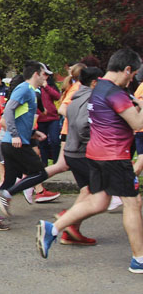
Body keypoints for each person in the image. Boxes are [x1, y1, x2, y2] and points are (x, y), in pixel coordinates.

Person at [37, 49, 143, 274]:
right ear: (126, 69)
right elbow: (136, 124)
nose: (132, 79)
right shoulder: (116, 93)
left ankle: (53, 228)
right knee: (133, 204)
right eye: (132, 74)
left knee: (99, 202)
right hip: (115, 157)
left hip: (95, 154)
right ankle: (139, 259)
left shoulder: (98, 87)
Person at [0, 61, 51, 218]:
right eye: (44, 74)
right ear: (36, 74)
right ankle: (7, 194)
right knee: (40, 174)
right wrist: (16, 134)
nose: (46, 78)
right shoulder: (24, 89)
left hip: (13, 142)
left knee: (9, 179)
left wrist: (33, 133)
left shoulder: (31, 91)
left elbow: (19, 116)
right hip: (14, 143)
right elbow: (8, 110)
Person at [49, 66, 103, 245]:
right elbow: (81, 126)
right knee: (100, 194)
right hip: (81, 152)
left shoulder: (76, 96)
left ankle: (70, 231)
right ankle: (67, 220)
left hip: (73, 150)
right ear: (94, 82)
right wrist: (93, 140)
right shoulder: (88, 97)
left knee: (86, 190)